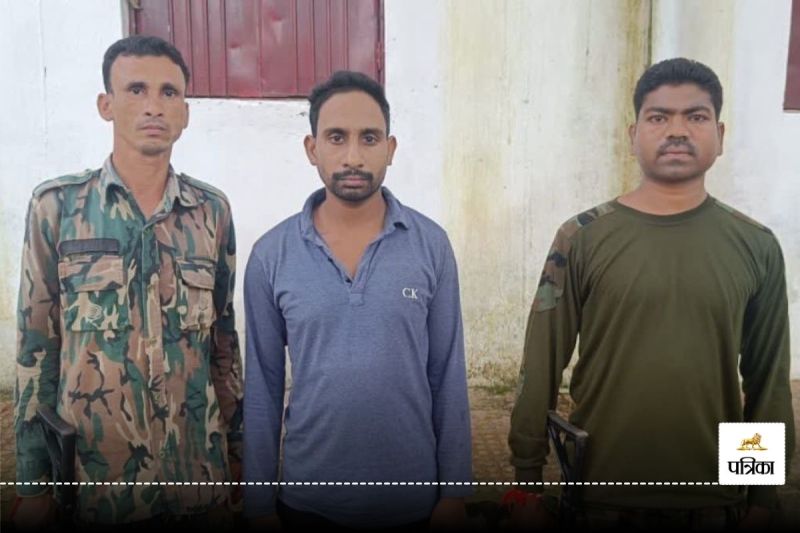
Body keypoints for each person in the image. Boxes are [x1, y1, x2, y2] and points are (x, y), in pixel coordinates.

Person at [508, 58, 794, 529]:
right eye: (659, 117)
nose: (677, 130)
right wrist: (527, 479)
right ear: (633, 135)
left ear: (720, 135)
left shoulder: (755, 245)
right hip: (598, 494)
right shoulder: (581, 237)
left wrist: (761, 497)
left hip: (715, 500)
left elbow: (767, 381)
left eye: (696, 116)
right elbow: (541, 362)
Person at [13, 35, 243, 529]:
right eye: (136, 89)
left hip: (197, 477)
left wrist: (241, 456)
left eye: (169, 92)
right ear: (106, 105)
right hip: (99, 483)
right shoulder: (57, 208)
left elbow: (224, 345)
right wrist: (33, 483)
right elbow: (36, 348)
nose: (153, 106)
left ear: (185, 112)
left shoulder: (211, 212)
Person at [243, 71, 473, 530]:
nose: (353, 156)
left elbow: (448, 373)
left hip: (414, 503)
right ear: (312, 149)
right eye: (336, 137)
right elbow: (263, 387)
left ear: (390, 148)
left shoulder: (430, 246)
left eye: (369, 138)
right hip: (308, 503)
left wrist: (455, 493)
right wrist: (259, 504)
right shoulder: (271, 255)